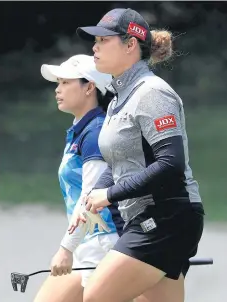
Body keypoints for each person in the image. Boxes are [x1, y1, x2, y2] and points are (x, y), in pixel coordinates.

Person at [70, 8, 205, 302]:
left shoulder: (152, 92)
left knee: (94, 296)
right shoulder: (119, 98)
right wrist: (92, 195)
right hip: (147, 217)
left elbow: (171, 164)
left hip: (167, 217)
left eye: (103, 40)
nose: (94, 47)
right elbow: (119, 163)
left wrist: (109, 195)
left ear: (131, 44)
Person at [34, 54, 124, 302]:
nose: (57, 89)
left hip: (104, 242)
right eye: (58, 83)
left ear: (90, 87)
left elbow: (90, 198)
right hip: (89, 242)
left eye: (65, 83)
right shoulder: (82, 130)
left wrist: (65, 250)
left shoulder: (95, 133)